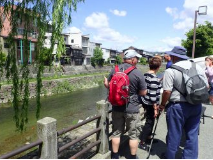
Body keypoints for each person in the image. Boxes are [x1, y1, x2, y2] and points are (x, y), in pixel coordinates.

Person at [159, 46, 209, 159]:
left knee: (174, 134)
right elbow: (206, 86)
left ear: (174, 56)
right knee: (192, 134)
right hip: (196, 105)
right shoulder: (197, 67)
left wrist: (162, 105)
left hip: (178, 107)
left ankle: (170, 156)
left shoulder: (170, 70)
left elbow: (167, 91)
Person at [104, 49, 147, 159]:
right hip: (131, 108)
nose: (137, 60)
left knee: (116, 132)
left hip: (116, 107)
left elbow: (108, 85)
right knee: (133, 135)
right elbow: (143, 92)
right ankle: (132, 157)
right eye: (136, 58)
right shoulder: (137, 72)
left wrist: (106, 83)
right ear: (132, 60)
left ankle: (114, 156)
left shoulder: (115, 70)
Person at [138, 57, 162, 150]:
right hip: (150, 103)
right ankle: (142, 141)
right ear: (158, 67)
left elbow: (147, 87)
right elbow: (153, 96)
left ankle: (148, 137)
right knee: (150, 121)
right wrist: (155, 109)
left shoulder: (145, 75)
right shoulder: (155, 79)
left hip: (144, 100)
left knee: (149, 119)